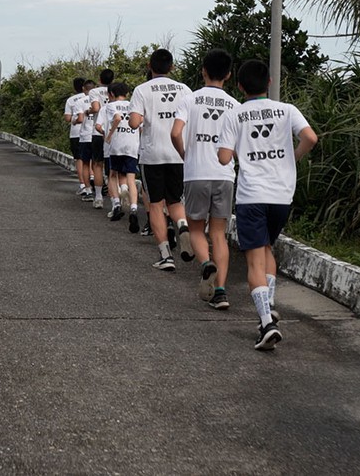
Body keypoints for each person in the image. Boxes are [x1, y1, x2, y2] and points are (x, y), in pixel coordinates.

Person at [217, 59, 317, 350]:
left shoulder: (234, 114)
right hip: (282, 195)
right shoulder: (287, 110)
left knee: (254, 261)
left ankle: (266, 323)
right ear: (269, 83)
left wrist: (242, 153)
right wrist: (292, 158)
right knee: (267, 249)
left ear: (239, 86)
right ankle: (269, 305)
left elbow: (224, 158)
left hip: (252, 196)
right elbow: (310, 137)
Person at [171, 49, 238, 309]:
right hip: (224, 175)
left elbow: (175, 132)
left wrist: (185, 154)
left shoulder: (190, 99)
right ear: (228, 75)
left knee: (196, 229)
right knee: (219, 234)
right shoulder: (235, 105)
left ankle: (205, 263)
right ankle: (220, 292)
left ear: (203, 71)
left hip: (196, 173)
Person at [129, 48, 193, 271]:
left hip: (152, 155)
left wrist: (142, 117)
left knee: (156, 204)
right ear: (172, 67)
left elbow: (134, 123)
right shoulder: (185, 90)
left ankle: (166, 256)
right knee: (175, 201)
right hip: (178, 153)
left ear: (150, 66)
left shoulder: (142, 90)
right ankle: (182, 226)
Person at [104, 81, 140, 227]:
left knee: (113, 174)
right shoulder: (133, 105)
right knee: (131, 178)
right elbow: (140, 124)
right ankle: (134, 208)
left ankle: (117, 205)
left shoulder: (111, 105)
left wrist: (110, 134)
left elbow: (117, 118)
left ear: (112, 94)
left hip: (117, 145)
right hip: (132, 145)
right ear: (127, 93)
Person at [87, 69, 114, 206]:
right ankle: (115, 201)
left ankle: (98, 197)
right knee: (113, 168)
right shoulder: (115, 90)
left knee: (97, 164)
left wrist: (88, 111)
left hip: (98, 132)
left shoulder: (94, 91)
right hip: (113, 133)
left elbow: (96, 108)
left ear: (100, 79)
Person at [63, 77, 90, 197]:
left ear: (74, 87)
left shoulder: (71, 100)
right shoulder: (92, 98)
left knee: (79, 159)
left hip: (75, 132)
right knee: (91, 159)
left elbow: (67, 118)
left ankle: (83, 185)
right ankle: (92, 179)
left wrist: (74, 119)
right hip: (90, 132)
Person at [75, 78, 100, 204]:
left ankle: (88, 191)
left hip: (85, 136)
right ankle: (99, 190)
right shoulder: (99, 99)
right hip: (97, 135)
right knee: (97, 164)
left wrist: (74, 121)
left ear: (84, 89)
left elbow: (80, 119)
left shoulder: (80, 102)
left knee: (85, 164)